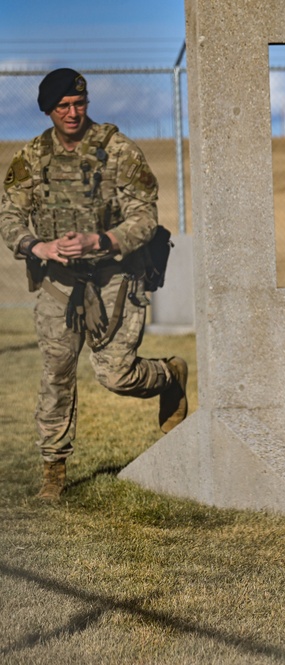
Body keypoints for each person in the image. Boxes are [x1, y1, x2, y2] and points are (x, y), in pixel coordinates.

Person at [0, 68, 188, 501]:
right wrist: (37, 247)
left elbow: (145, 218)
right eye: (63, 106)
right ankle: (53, 473)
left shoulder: (118, 150)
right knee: (56, 374)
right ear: (48, 110)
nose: (73, 112)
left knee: (116, 375)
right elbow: (9, 214)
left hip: (113, 277)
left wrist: (100, 240)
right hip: (58, 282)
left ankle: (168, 375)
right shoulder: (31, 157)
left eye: (79, 104)